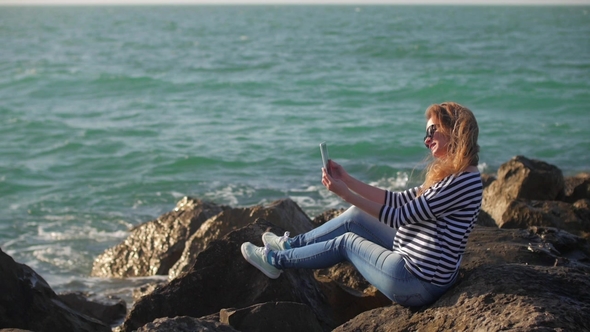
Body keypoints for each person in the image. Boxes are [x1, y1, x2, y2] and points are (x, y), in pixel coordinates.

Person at [241, 102, 483, 307]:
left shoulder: (462, 182)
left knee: (345, 243)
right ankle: (289, 245)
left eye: (432, 131)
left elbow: (400, 217)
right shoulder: (455, 176)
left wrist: (345, 193)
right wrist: (347, 180)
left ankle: (275, 261)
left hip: (417, 282)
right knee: (355, 216)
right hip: (417, 266)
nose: (427, 140)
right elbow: (398, 200)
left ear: (455, 129)